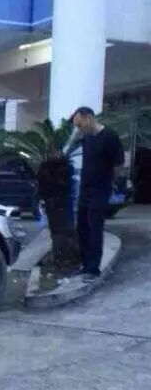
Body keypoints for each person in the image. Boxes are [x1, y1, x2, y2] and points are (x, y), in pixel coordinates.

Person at [72, 107, 125, 281]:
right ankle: (85, 265)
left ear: (89, 118)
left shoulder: (109, 136)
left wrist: (113, 182)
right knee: (82, 227)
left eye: (80, 125)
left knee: (94, 227)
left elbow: (119, 163)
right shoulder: (86, 138)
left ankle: (93, 269)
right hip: (85, 189)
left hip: (100, 189)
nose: (79, 129)